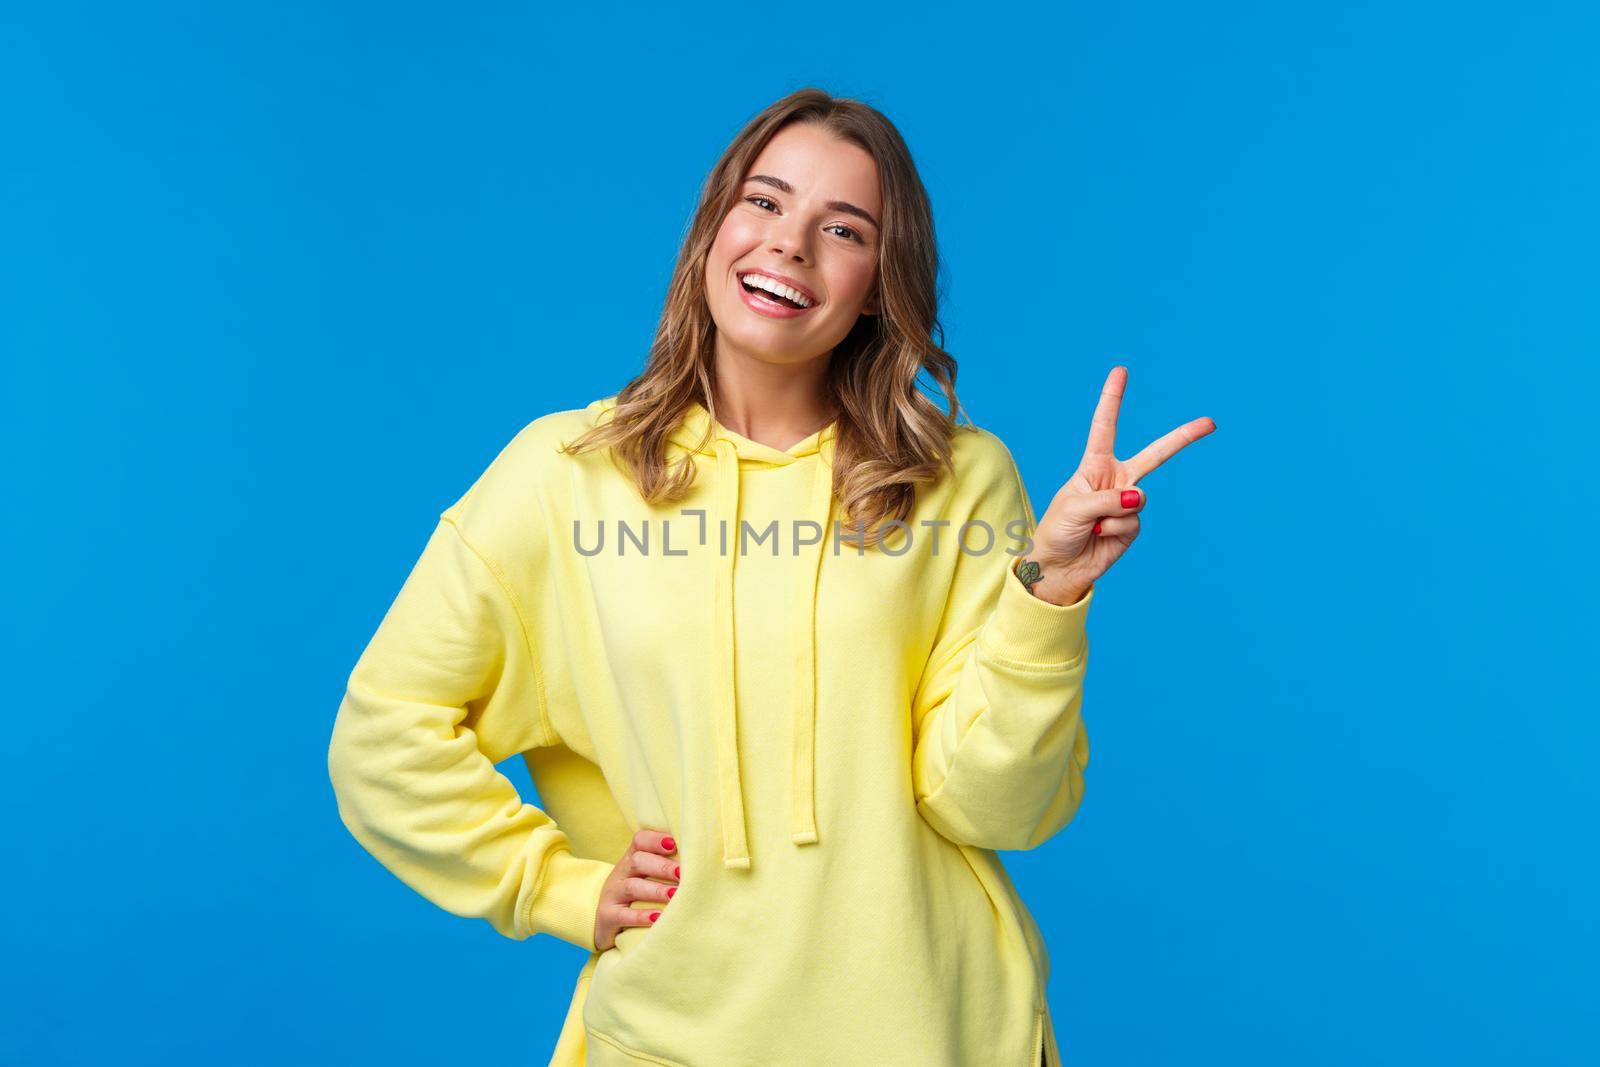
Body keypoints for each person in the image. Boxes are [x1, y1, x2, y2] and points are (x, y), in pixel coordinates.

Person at [327, 87, 1214, 1067]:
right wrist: (553, 885)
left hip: (944, 1032)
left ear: (879, 283)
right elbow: (383, 733)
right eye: (764, 202)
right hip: (672, 1036)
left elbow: (1000, 809)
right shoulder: (561, 477)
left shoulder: (958, 478)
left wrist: (1047, 588)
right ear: (712, 228)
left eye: (842, 228)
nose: (789, 244)